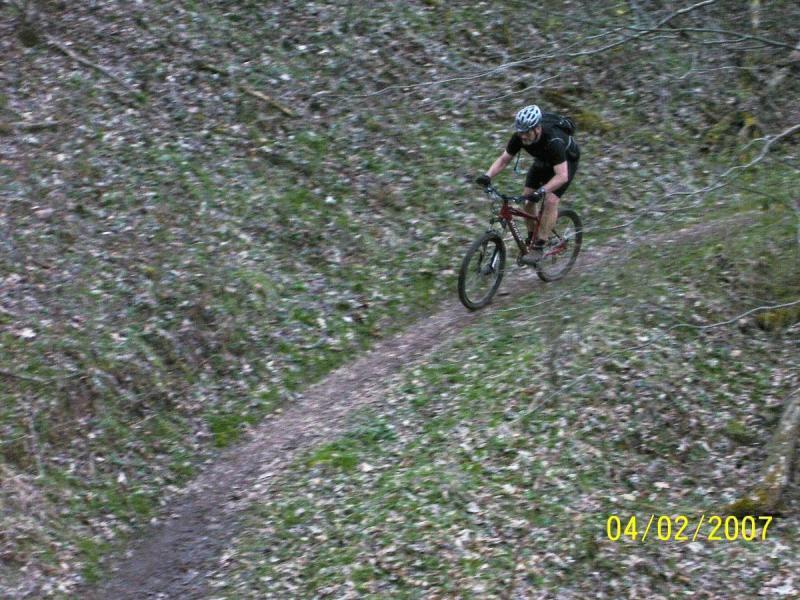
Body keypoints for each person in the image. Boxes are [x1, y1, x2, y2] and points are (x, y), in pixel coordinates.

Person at [475, 104, 580, 264]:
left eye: (526, 132)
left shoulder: (554, 140)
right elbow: (504, 159)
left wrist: (542, 191)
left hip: (565, 162)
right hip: (543, 160)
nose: (523, 136)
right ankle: (531, 239)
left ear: (537, 128)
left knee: (551, 201)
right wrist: (487, 176)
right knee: (527, 200)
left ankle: (539, 246)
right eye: (520, 132)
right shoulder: (520, 136)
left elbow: (562, 176)